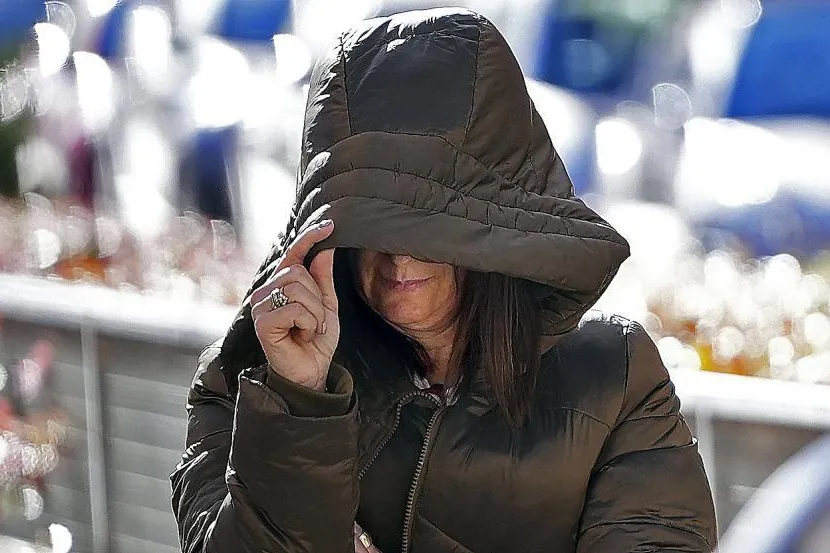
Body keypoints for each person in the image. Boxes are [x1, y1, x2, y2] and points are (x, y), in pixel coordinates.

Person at [170, 8, 717, 553]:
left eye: (431, 223)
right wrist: (299, 403)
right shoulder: (248, 378)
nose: (399, 255)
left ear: (493, 223)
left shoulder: (614, 377)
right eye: (371, 221)